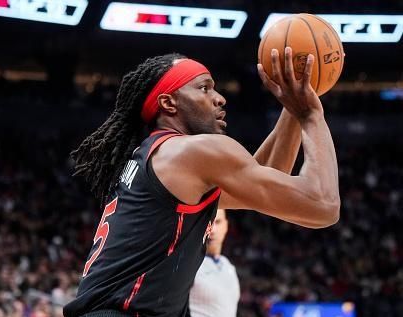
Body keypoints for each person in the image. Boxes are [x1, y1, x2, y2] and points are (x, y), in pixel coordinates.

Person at [63, 48, 340, 317]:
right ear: (169, 103)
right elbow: (322, 205)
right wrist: (310, 115)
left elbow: (267, 180)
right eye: (204, 88)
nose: (220, 99)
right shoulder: (192, 153)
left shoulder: (160, 157)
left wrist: (291, 109)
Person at [188, 209, 240, 317]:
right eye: (208, 223)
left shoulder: (228, 266)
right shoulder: (188, 263)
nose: (212, 230)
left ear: (226, 226)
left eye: (218, 222)